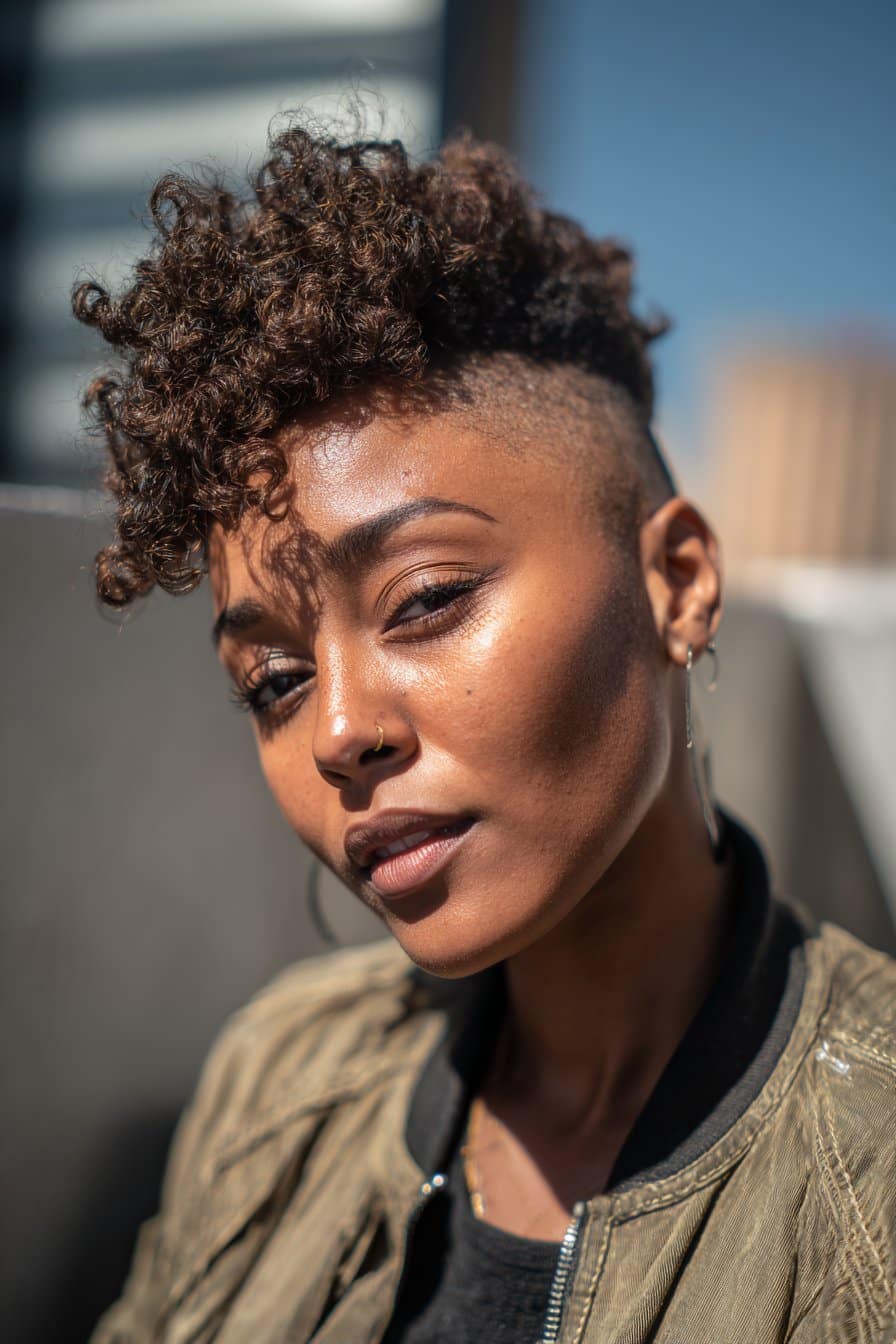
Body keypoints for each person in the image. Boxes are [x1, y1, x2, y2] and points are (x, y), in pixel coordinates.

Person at [75, 125, 895, 1344]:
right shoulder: (280, 1080)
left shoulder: (868, 1180)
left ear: (675, 581)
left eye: (425, 601)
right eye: (276, 679)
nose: (341, 732)